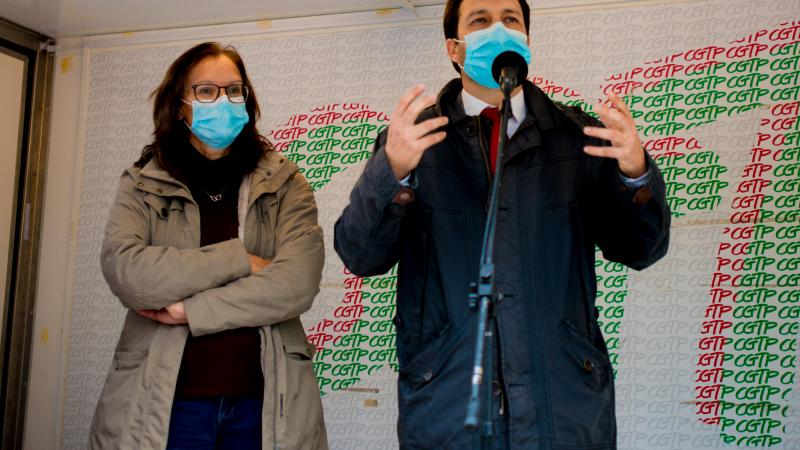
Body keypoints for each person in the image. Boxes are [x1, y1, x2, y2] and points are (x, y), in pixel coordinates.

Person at [334, 0, 670, 448]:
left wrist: (636, 175)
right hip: (449, 405)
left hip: (562, 405)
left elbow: (642, 248)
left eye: (510, 19)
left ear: (526, 41)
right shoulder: (413, 141)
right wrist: (390, 170)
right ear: (454, 48)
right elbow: (360, 255)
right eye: (480, 19)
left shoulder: (577, 138)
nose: (499, 29)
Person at [91, 42, 327, 450]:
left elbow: (296, 283)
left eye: (234, 90)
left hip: (265, 405)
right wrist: (239, 259)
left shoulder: (286, 183)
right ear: (178, 106)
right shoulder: (142, 183)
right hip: (166, 405)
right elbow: (129, 272)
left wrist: (191, 311)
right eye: (206, 91)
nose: (223, 101)